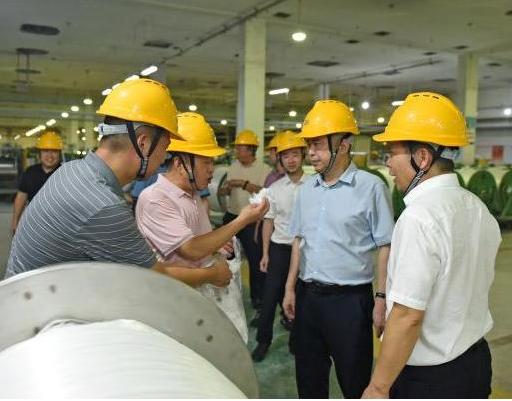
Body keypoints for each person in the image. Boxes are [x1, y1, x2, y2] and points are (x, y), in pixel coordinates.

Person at [6, 79, 232, 290]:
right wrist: (212, 274)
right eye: (165, 148)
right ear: (143, 143)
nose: (165, 158)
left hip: (27, 296)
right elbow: (154, 278)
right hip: (41, 310)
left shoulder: (73, 170)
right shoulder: (103, 205)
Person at [362, 92, 501, 399]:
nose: (388, 165)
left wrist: (378, 387)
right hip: (476, 363)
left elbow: (407, 316)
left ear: (422, 158)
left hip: (430, 380)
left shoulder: (418, 218)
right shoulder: (477, 207)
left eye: (392, 153)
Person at [282, 99, 394, 399]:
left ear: (343, 146)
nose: (310, 153)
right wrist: (290, 288)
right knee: (309, 382)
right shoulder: (307, 189)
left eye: (318, 145)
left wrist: (381, 298)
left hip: (351, 303)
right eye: (309, 145)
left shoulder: (371, 187)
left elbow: (386, 245)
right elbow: (298, 241)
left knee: (354, 383)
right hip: (308, 298)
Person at [135, 112, 269, 340]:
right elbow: (191, 249)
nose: (211, 169)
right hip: (172, 306)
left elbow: (200, 239)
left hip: (196, 304)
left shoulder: (193, 195)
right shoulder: (156, 199)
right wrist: (241, 220)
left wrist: (217, 244)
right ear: (180, 163)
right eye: (206, 162)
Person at [252, 131, 307, 362]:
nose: (291, 160)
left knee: (301, 298)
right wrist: (265, 253)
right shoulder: (274, 189)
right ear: (280, 159)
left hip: (305, 252)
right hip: (279, 249)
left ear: (303, 156)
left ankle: (297, 340)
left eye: (295, 154)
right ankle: (263, 341)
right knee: (270, 296)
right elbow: (269, 222)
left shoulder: (314, 185)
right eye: (286, 156)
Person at [219, 130, 271, 310]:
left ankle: (258, 298)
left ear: (251, 150)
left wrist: (242, 184)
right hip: (232, 216)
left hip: (252, 220)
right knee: (226, 257)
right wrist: (226, 189)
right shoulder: (233, 166)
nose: (236, 152)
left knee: (255, 260)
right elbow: (227, 189)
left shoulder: (264, 169)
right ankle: (228, 295)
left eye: (240, 148)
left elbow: (264, 192)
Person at [11, 130, 63, 235]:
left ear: (59, 154)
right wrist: (15, 222)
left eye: (54, 151)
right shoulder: (30, 172)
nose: (50, 155)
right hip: (34, 224)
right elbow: (21, 197)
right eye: (45, 151)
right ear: (39, 153)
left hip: (59, 227)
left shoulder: (65, 173)